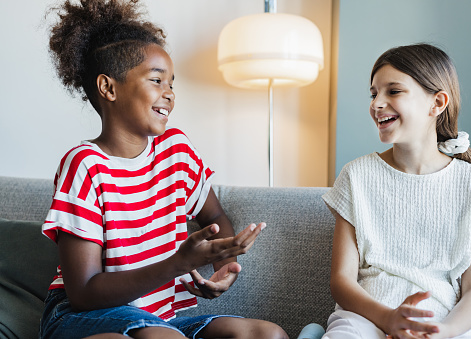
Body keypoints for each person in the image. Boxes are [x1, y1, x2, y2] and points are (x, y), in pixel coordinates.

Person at [39, 1, 289, 338]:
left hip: (159, 320)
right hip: (78, 317)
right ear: (108, 88)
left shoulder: (177, 152)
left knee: (265, 334)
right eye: (157, 80)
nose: (169, 94)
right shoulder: (85, 165)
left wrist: (222, 266)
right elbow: (83, 294)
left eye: (172, 84)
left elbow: (214, 218)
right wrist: (178, 263)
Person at [321, 43, 471, 339]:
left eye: (393, 91)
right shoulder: (355, 176)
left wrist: (440, 331)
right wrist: (388, 319)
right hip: (367, 318)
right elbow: (342, 281)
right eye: (374, 93)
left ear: (437, 103)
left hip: (446, 321)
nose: (377, 103)